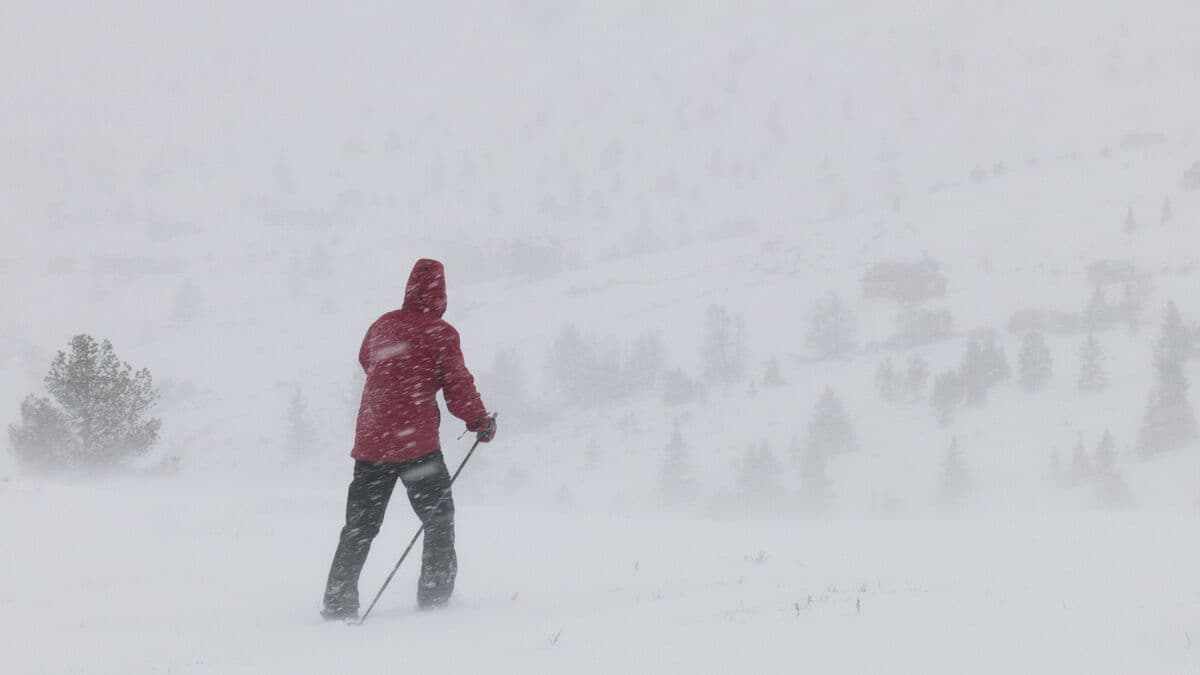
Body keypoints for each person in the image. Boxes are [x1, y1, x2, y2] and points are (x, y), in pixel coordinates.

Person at [322, 258, 496, 620]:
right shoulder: (441, 333)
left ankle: (338, 601)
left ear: (409, 289)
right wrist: (480, 422)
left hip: (371, 445)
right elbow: (458, 389)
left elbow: (366, 361)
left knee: (359, 527)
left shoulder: (382, 326)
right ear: (441, 294)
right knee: (438, 518)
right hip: (416, 448)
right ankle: (434, 601)